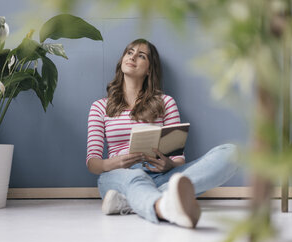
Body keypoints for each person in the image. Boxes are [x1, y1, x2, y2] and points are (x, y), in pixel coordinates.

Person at [86, 38, 238, 228]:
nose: (133, 57)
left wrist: (169, 164)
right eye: (129, 52)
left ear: (149, 69)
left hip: (160, 174)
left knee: (231, 154)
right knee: (134, 178)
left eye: (141, 56)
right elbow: (93, 163)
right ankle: (163, 206)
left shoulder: (165, 103)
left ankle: (130, 201)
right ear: (122, 60)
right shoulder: (100, 107)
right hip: (119, 174)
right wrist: (117, 162)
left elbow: (178, 158)